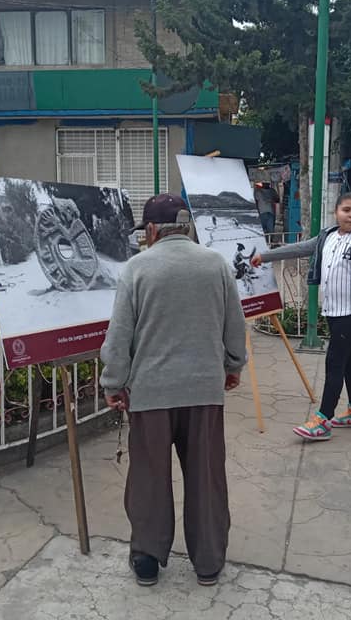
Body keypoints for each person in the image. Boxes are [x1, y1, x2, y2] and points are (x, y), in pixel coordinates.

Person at [100, 193, 246, 588]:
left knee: (148, 476)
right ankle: (209, 561)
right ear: (187, 225)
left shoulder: (137, 269)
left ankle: (147, 558)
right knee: (206, 476)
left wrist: (113, 382)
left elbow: (119, 337)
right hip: (204, 390)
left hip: (151, 394)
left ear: (150, 230)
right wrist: (233, 365)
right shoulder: (215, 264)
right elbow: (235, 325)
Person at [251, 192, 351, 441]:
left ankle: (323, 419)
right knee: (348, 361)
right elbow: (300, 248)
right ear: (336, 212)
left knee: (334, 361)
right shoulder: (327, 236)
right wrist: (265, 256)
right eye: (347, 210)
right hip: (333, 311)